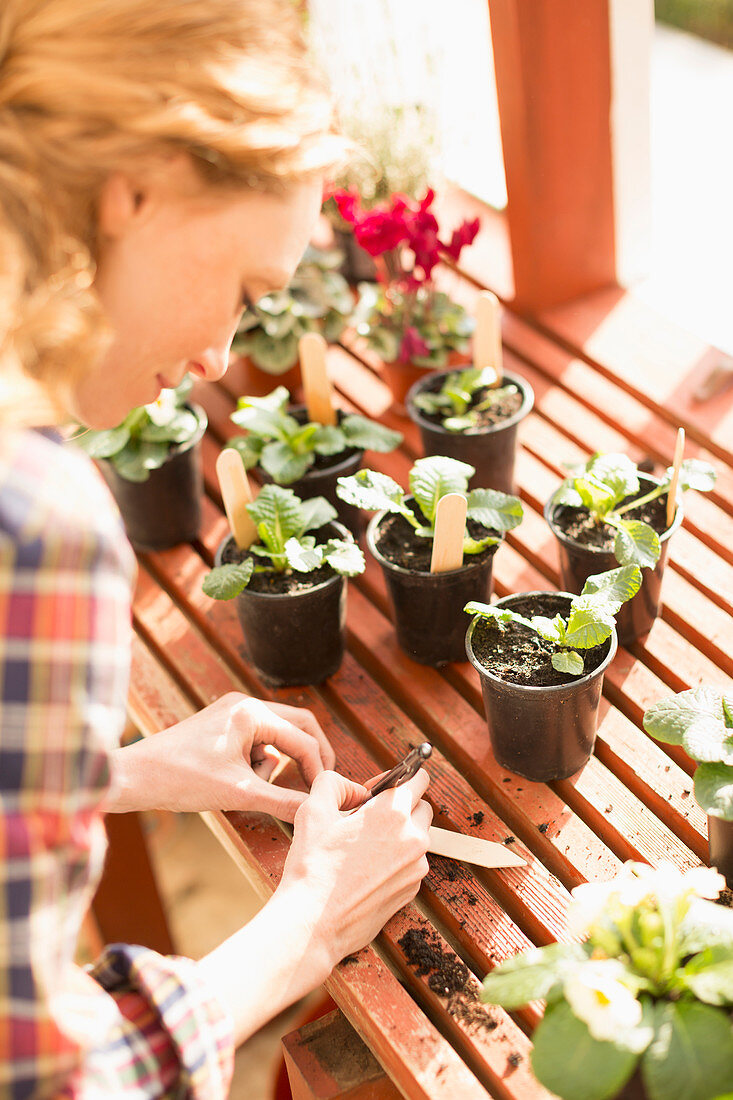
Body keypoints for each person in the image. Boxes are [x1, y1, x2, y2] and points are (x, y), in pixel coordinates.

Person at [0, 2, 433, 1096]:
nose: (216, 353)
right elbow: (48, 1079)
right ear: (132, 189)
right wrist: (304, 924)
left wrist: (119, 771)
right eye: (244, 291)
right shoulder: (38, 520)